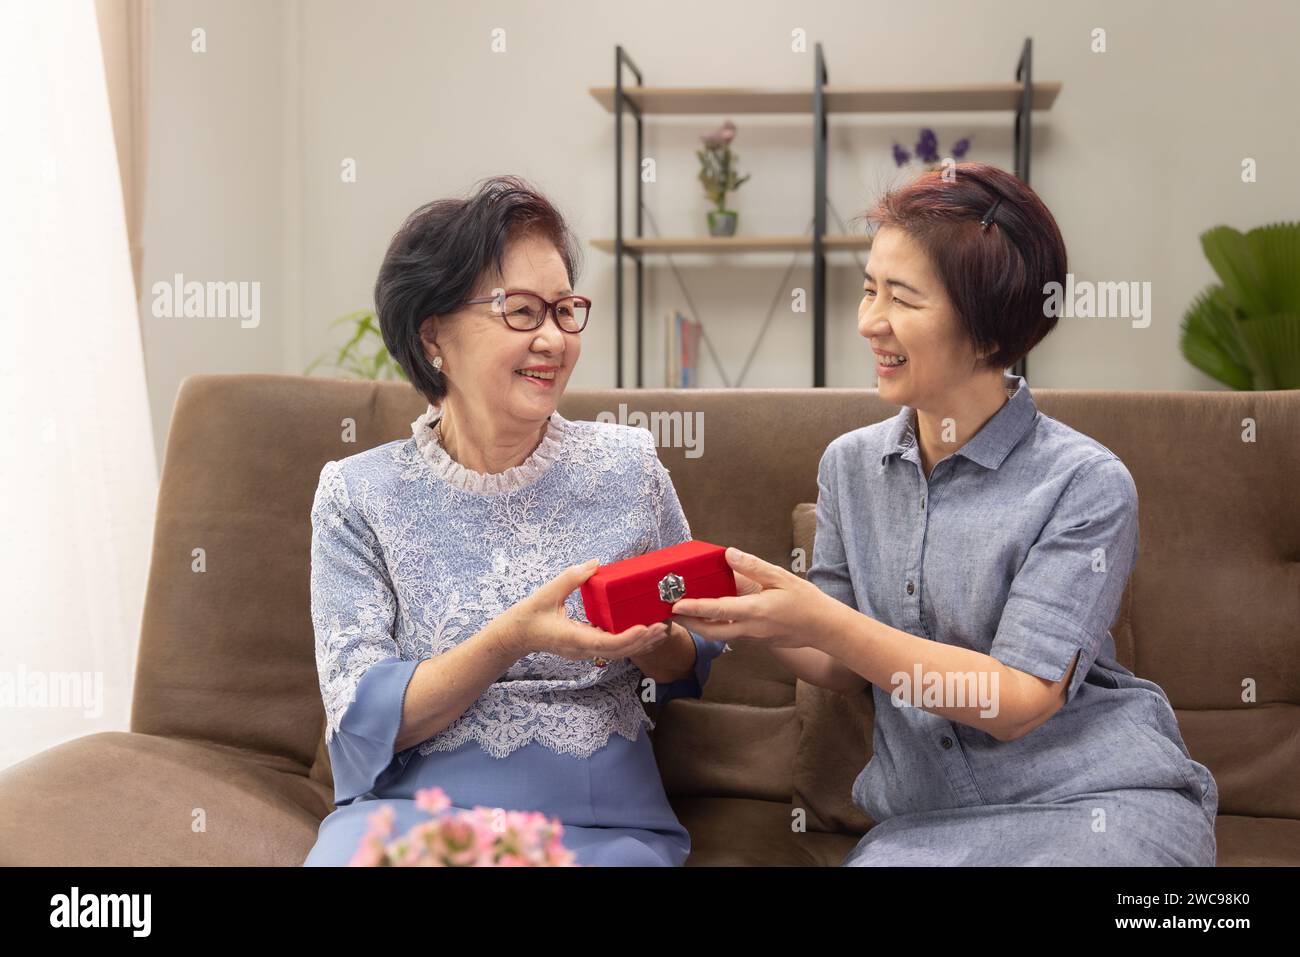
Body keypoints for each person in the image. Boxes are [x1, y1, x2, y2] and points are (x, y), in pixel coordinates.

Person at [670, 162, 1218, 866]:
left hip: (1095, 803)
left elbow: (1020, 698)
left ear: (989, 331)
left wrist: (819, 616)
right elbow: (835, 663)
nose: (870, 321)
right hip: (928, 827)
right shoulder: (850, 465)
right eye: (870, 290)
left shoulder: (1085, 483)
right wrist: (753, 609)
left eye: (902, 298)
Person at [303, 175, 726, 866]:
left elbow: (693, 658)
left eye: (565, 310)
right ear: (433, 332)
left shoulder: (628, 467)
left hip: (596, 816)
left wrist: (654, 642)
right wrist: (509, 639)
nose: (554, 339)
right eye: (522, 311)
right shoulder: (356, 495)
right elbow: (361, 714)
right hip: (415, 812)